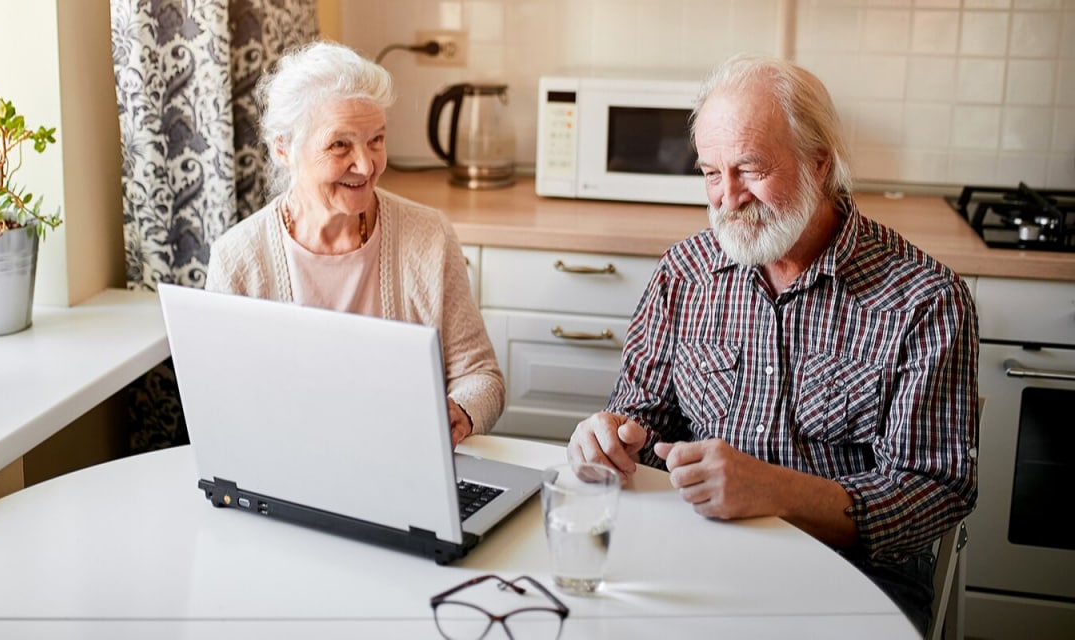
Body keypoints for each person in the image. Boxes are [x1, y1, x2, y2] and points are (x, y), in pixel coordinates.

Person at [566, 53, 979, 634]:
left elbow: (935, 492)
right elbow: (645, 412)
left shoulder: (924, 299)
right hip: (698, 550)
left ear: (819, 163)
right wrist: (611, 434)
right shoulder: (684, 273)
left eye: (750, 169)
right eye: (710, 172)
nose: (727, 197)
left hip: (855, 576)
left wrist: (779, 493)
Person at [205, 41, 503, 445]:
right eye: (339, 144)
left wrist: (460, 411)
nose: (366, 165)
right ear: (283, 149)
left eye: (376, 140)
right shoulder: (237, 258)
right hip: (287, 465)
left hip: (402, 458)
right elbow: (222, 400)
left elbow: (480, 374)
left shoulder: (428, 236)